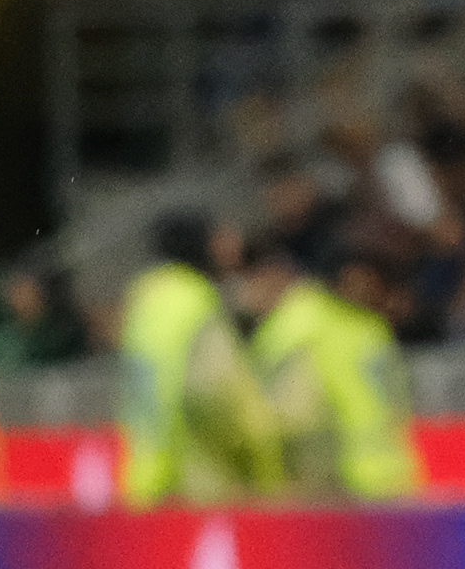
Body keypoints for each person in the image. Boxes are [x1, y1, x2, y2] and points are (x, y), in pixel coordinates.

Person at [232, 235, 423, 499]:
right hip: (361, 487)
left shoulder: (356, 326)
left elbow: (395, 407)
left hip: (366, 488)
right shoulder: (314, 325)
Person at [118, 211, 276, 505]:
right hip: (199, 483)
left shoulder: (146, 298)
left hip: (147, 477)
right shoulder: (195, 301)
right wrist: (262, 456)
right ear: (200, 245)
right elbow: (220, 392)